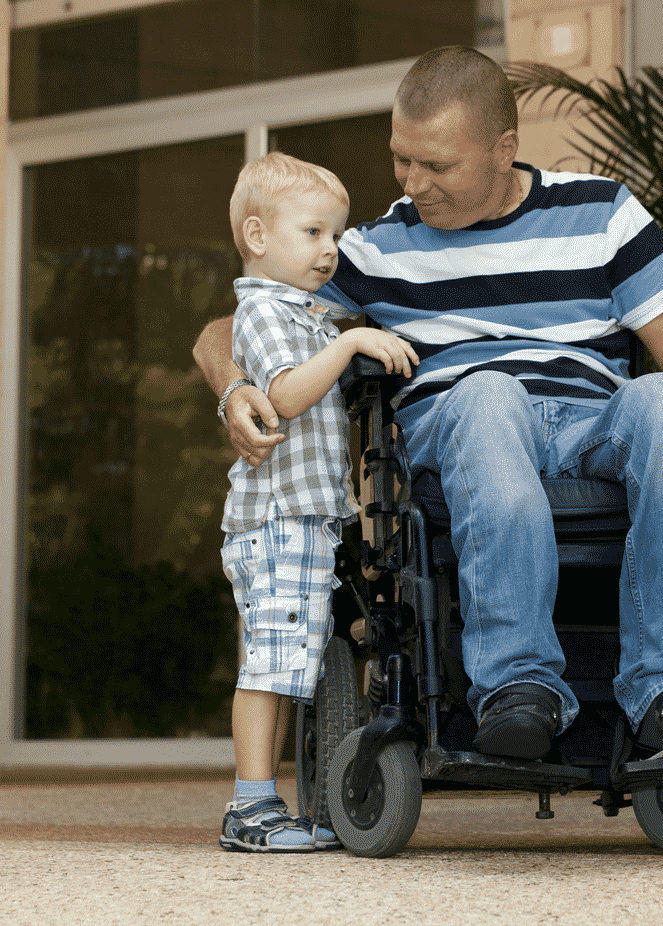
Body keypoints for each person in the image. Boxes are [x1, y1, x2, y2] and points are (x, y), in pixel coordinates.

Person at [194, 46, 663, 764]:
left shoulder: (601, 212)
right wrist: (234, 385)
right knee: (488, 392)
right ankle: (520, 687)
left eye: (439, 166)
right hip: (466, 425)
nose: (414, 184)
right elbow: (234, 323)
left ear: (503, 149)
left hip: (591, 423)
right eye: (403, 159)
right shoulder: (374, 248)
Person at [216, 152, 418, 852]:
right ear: (258, 236)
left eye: (335, 235)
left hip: (299, 520)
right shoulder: (266, 313)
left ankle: (265, 802)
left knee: (284, 661)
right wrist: (353, 340)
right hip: (276, 522)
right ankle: (249, 807)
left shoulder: (299, 313)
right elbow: (284, 395)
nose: (330, 251)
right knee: (267, 666)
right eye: (312, 233)